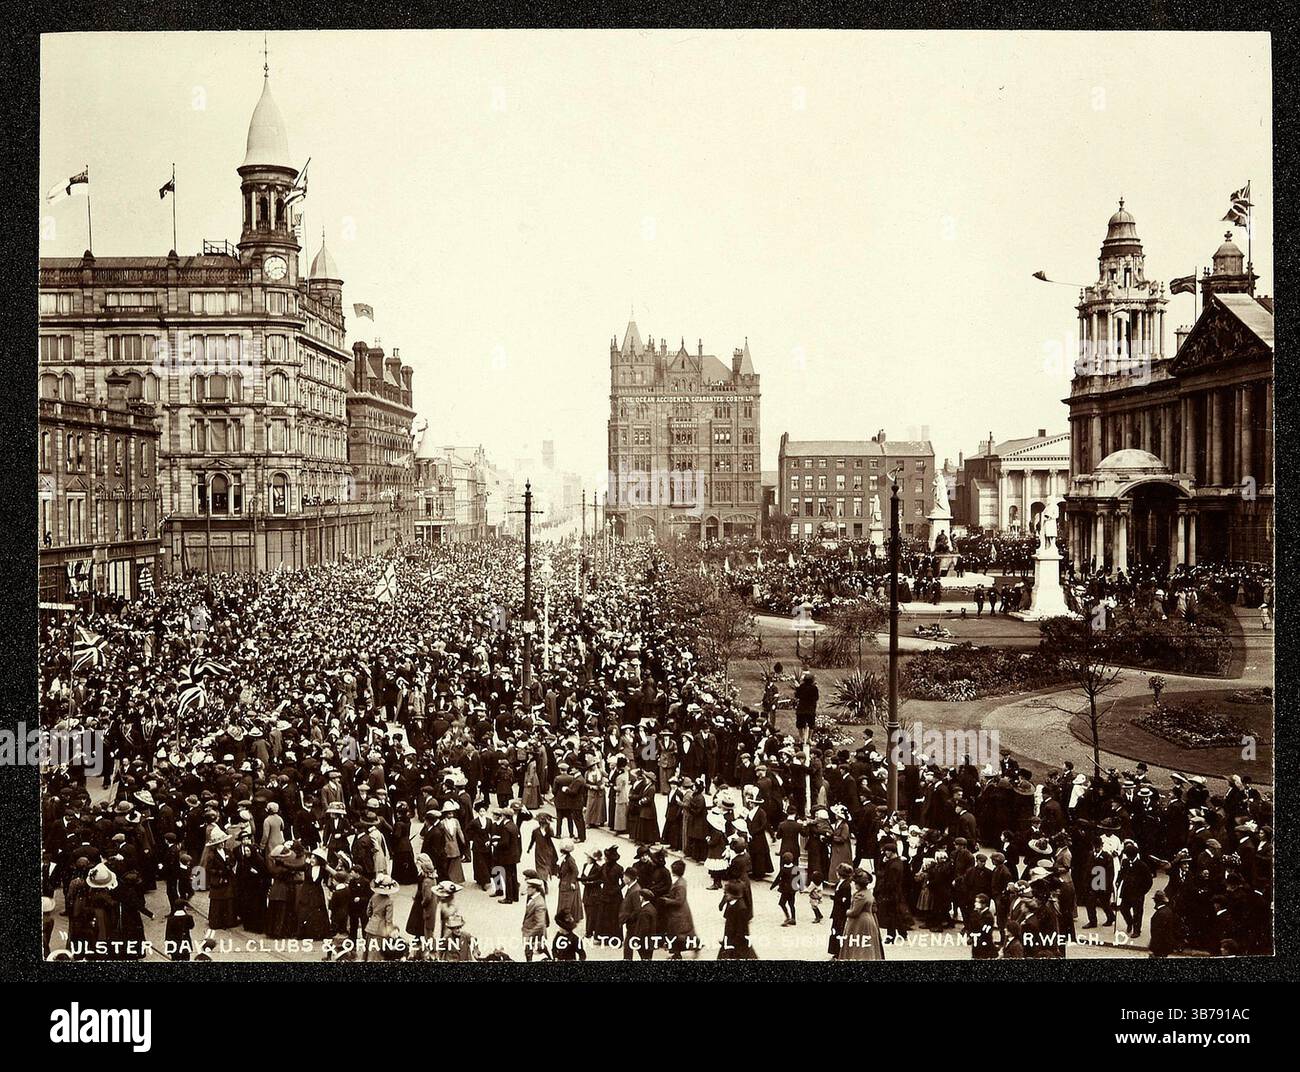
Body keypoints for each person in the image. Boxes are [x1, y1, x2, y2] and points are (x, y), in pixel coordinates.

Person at [838, 869, 885, 960]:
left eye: (855, 883)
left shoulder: (860, 895)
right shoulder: (868, 893)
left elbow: (854, 912)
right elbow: (874, 908)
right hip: (869, 919)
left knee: (857, 945)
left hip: (859, 922)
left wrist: (847, 912)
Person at [718, 880, 756, 959]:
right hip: (729, 935)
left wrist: (733, 941)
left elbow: (742, 929)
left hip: (737, 939)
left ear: (733, 895)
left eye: (726, 893)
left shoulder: (741, 908)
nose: (725, 896)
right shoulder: (732, 903)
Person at [521, 876, 550, 961]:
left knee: (532, 955)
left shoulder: (539, 903)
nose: (527, 889)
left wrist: (529, 934)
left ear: (535, 889)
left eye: (529, 887)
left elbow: (540, 923)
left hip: (533, 935)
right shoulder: (534, 898)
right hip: (531, 932)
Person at [770, 851, 798, 926]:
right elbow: (799, 878)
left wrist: (772, 886)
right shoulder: (795, 868)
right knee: (791, 904)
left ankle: (788, 917)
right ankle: (793, 918)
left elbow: (778, 878)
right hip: (792, 890)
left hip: (785, 890)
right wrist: (800, 888)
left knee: (782, 903)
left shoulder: (783, 869)